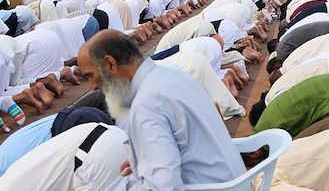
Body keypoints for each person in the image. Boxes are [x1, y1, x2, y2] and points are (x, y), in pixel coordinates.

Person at [77, 29, 246, 189]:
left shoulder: (147, 103)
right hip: (234, 181)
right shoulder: (171, 73)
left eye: (90, 76)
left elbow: (164, 186)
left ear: (110, 64)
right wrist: (143, 159)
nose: (92, 86)